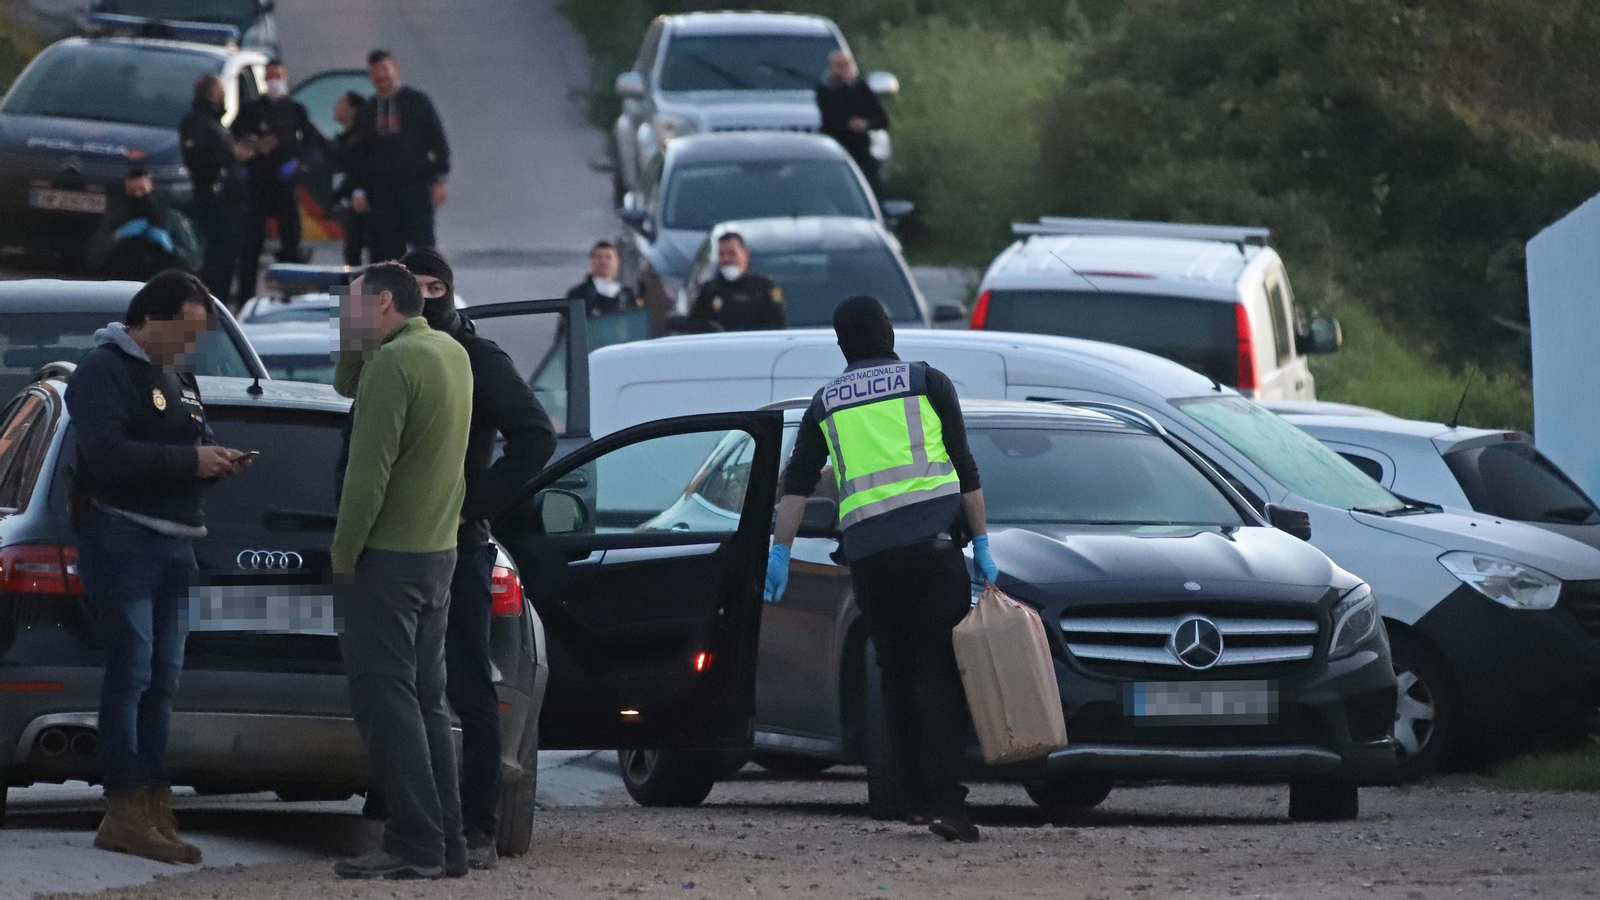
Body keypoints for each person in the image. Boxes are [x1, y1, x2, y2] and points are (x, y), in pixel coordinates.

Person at [764, 295, 997, 844]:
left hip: (871, 562)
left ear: (842, 344)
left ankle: (910, 799)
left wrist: (780, 551)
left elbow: (797, 484)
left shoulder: (826, 403)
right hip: (933, 553)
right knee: (939, 674)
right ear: (889, 333)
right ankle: (947, 803)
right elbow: (965, 468)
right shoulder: (928, 382)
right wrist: (983, 542)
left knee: (896, 675)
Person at [65, 271, 252, 863]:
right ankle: (124, 807)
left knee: (164, 679)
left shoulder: (179, 377)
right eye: (186, 332)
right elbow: (107, 455)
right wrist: (189, 462)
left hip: (179, 542)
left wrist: (215, 460)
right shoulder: (103, 371)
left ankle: (155, 801)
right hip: (122, 538)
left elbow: (195, 437)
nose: (191, 346)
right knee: (131, 673)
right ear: (149, 319)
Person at [401, 248, 556, 870]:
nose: (423, 297)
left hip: (457, 548)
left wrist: (472, 506)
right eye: (411, 287)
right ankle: (407, 816)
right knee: (402, 686)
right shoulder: (386, 353)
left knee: (468, 686)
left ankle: (476, 826)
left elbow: (535, 436)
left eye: (433, 287)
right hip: (396, 545)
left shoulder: (475, 356)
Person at [330, 262, 473, 880]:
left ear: (384, 302)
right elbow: (345, 384)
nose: (345, 316)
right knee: (427, 702)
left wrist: (342, 558)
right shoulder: (450, 353)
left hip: (388, 556)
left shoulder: (394, 364)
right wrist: (354, 334)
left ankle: (414, 841)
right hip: (438, 551)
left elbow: (368, 477)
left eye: (353, 306)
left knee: (386, 702)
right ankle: (449, 843)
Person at [232, 59, 325, 301]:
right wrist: (247, 154)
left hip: (285, 186)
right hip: (256, 185)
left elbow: (312, 141)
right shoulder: (251, 109)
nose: (274, 81)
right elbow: (234, 137)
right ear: (265, 79)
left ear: (285, 78)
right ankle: (245, 299)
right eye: (270, 76)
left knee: (291, 243)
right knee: (250, 246)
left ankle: (290, 296)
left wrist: (297, 164)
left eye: (278, 76)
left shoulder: (295, 110)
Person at [351, 50, 450, 261]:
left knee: (423, 249)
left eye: (385, 70)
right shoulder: (368, 111)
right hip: (381, 193)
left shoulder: (417, 102)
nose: (381, 76)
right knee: (384, 252)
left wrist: (440, 180)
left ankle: (429, 281)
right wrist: (358, 190)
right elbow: (360, 155)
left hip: (416, 188)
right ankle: (388, 283)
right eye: (375, 72)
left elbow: (438, 141)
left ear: (396, 69)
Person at [179, 74, 255, 299]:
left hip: (229, 204)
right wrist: (231, 156)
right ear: (214, 93)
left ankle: (220, 302)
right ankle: (211, 304)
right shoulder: (198, 123)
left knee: (227, 260)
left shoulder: (215, 124)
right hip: (214, 204)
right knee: (216, 262)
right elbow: (199, 162)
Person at [84, 169, 204, 280]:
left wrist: (171, 247)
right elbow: (92, 259)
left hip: (163, 282)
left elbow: (195, 262)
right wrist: (116, 236)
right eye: (132, 191)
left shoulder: (172, 219)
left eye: (142, 190)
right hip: (125, 281)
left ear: (151, 188)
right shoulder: (116, 219)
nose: (138, 195)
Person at [815, 50, 889, 198]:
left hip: (861, 151)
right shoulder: (825, 90)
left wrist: (866, 124)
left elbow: (882, 120)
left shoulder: (862, 88)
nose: (843, 69)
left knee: (871, 185)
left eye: (846, 65)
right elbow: (831, 117)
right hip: (835, 150)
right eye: (839, 66)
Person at [687, 232, 785, 332]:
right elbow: (696, 326)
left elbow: (777, 325)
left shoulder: (764, 287)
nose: (726, 259)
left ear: (745, 255)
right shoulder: (709, 290)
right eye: (721, 254)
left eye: (731, 254)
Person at [331, 91, 372, 267]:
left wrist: (358, 191)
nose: (336, 108)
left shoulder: (363, 138)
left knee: (369, 248)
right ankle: (354, 282)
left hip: (364, 200)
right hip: (349, 201)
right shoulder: (343, 139)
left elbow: (359, 168)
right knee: (351, 251)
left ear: (353, 110)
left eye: (341, 104)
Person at [565, 241, 641, 318]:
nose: (603, 261)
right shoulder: (578, 295)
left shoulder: (627, 296)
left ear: (617, 262)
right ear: (591, 261)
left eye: (608, 257)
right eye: (599, 257)